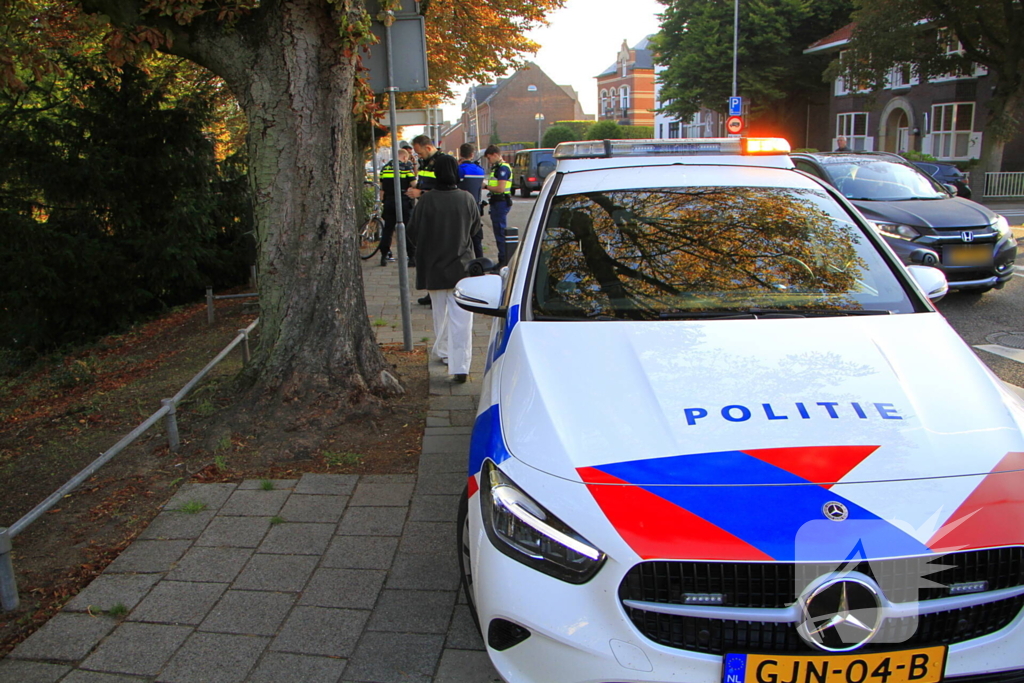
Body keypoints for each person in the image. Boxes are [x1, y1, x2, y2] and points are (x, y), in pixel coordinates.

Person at [407, 154, 482, 383]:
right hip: (462, 266)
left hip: (434, 267)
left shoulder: (427, 201)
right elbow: (476, 228)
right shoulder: (467, 198)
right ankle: (461, 365)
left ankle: (445, 352)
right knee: (462, 318)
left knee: (441, 314)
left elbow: (412, 232)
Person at [407, 135, 453, 305]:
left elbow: (445, 189)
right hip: (427, 207)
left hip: (437, 211)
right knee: (426, 252)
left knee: (437, 251)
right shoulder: (426, 162)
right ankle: (431, 290)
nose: (419, 157)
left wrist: (422, 194)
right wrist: (416, 189)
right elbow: (425, 182)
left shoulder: (442, 162)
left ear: (428, 148)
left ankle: (438, 291)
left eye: (420, 153)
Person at [377, 146, 416, 266]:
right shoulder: (405, 168)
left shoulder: (385, 168)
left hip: (389, 201)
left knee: (388, 230)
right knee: (407, 229)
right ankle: (412, 257)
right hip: (403, 201)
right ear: (404, 157)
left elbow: (381, 188)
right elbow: (414, 184)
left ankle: (384, 255)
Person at [483, 144, 513, 266]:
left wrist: (485, 186)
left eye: (489, 158)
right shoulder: (497, 168)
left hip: (501, 202)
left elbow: (500, 188)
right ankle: (503, 258)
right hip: (497, 202)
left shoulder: (502, 169)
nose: (489, 161)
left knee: (500, 232)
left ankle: (504, 260)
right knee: (498, 231)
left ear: (495, 155)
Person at [457, 143, 486, 259]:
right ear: (472, 154)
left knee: (462, 237)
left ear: (460, 154)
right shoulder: (480, 170)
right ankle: (480, 262)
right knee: (477, 238)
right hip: (476, 207)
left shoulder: (459, 169)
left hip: (461, 207)